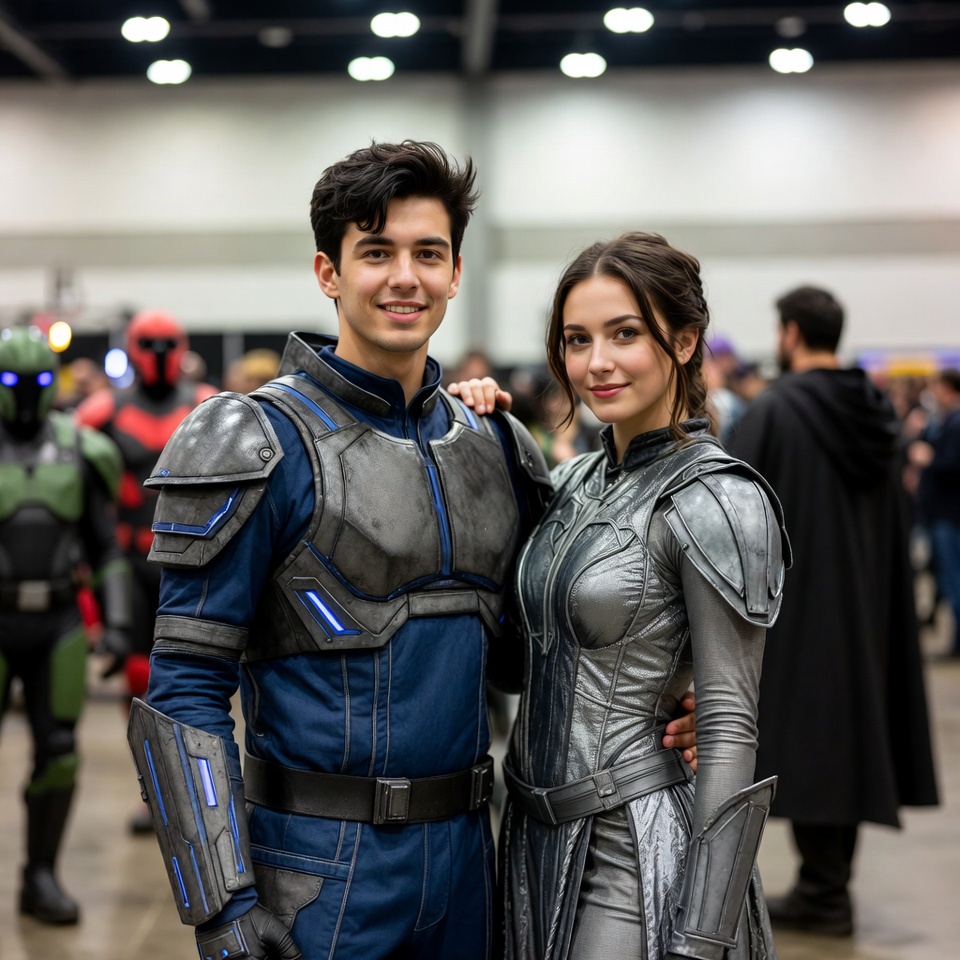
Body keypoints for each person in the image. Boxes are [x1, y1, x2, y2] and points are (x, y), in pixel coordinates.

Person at [126, 142, 698, 960]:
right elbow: (184, 690)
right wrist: (219, 905)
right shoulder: (253, 443)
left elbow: (529, 660)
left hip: (472, 860)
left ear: (456, 271)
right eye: (376, 252)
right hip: (317, 873)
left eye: (428, 253)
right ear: (329, 272)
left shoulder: (499, 446)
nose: (406, 277)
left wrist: (674, 704)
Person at [458, 232, 788, 959]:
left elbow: (730, 725)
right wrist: (466, 429)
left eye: (625, 334)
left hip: (633, 849)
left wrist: (702, 936)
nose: (596, 363)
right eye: (578, 340)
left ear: (684, 340)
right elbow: (517, 662)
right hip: (527, 841)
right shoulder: (573, 483)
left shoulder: (718, 499)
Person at [727, 285, 939, 935]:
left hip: (800, 608)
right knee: (844, 742)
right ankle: (828, 885)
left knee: (812, 743)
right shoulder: (875, 408)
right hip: (868, 604)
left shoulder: (774, 411)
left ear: (790, 333)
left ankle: (823, 893)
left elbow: (733, 512)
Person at [0, 326, 131, 924]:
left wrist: (120, 621)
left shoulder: (82, 449)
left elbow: (106, 548)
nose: (25, 394)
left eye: (37, 382)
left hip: (57, 622)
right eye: (11, 383)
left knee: (59, 753)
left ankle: (41, 876)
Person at [75, 309, 217, 832]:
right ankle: (152, 786)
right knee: (138, 678)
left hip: (192, 561)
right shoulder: (100, 412)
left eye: (166, 344)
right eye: (148, 344)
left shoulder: (208, 406)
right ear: (133, 348)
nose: (158, 355)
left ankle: (192, 792)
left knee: (196, 679)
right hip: (131, 559)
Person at [909, 368, 960, 655]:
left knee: (953, 580)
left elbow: (952, 466)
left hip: (948, 515)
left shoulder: (954, 423)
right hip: (944, 514)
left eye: (938, 389)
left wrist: (929, 458)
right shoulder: (945, 422)